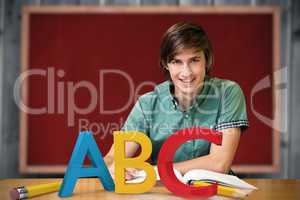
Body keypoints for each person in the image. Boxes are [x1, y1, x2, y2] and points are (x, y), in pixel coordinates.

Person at [104, 21, 249, 180]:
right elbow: (112, 158)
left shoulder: (227, 93)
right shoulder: (147, 104)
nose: (186, 72)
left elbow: (219, 164)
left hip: (214, 192)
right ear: (166, 64)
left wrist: (150, 172)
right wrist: (112, 167)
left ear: (207, 60)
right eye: (176, 61)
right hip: (163, 193)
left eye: (194, 60)